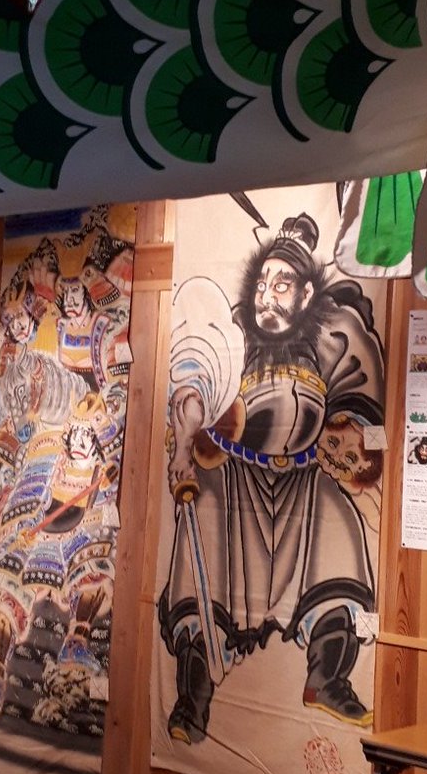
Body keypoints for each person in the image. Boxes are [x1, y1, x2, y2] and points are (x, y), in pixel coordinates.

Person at [159, 212, 384, 744]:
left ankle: (327, 677)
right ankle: (193, 694)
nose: (267, 295)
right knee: (202, 544)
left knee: (341, 535)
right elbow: (194, 387)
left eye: (281, 283)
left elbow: (364, 408)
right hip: (235, 483)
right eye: (262, 283)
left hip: (307, 482)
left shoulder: (336, 333)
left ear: (306, 292)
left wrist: (349, 438)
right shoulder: (234, 335)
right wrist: (185, 447)